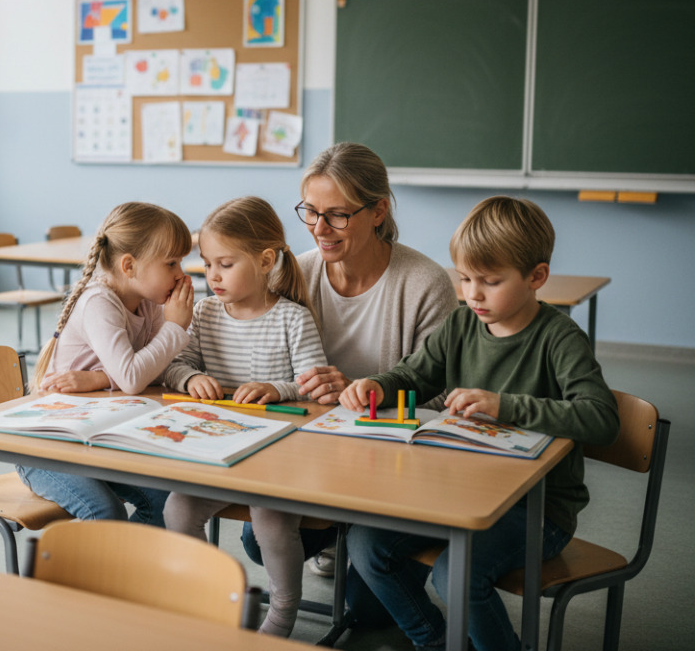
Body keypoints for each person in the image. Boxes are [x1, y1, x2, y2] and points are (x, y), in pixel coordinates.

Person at [339, 195, 619, 651]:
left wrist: (505, 406)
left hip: (536, 510)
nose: (473, 294)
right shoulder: (461, 324)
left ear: (536, 277)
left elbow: (602, 418)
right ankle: (437, 641)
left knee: (456, 574)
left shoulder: (560, 338)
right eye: (465, 278)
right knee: (366, 544)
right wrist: (377, 385)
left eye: (490, 281)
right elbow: (413, 375)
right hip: (458, 494)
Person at [275, 142, 460, 582]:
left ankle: (356, 538)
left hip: (394, 466)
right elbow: (274, 369)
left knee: (370, 600)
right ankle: (338, 534)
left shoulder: (425, 283)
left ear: (378, 211)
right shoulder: (297, 273)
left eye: (338, 215)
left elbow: (442, 399)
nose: (320, 228)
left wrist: (360, 392)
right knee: (257, 541)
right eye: (310, 212)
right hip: (314, 455)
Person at [161, 196, 327, 638]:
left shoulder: (292, 318)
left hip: (278, 458)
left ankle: (282, 613)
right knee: (178, 508)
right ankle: (208, 597)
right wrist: (191, 377)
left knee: (270, 519)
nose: (212, 275)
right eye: (207, 264)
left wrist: (277, 389)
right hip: (218, 449)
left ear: (266, 261)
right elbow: (175, 365)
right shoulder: (204, 313)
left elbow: (313, 384)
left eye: (225, 264)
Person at [19, 201, 196, 525]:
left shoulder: (148, 303)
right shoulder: (99, 302)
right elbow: (133, 379)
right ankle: (103, 559)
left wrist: (101, 379)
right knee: (105, 511)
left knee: (166, 501)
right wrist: (174, 328)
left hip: (95, 436)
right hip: (46, 446)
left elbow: (155, 371)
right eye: (171, 263)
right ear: (129, 266)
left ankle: (123, 558)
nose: (180, 274)